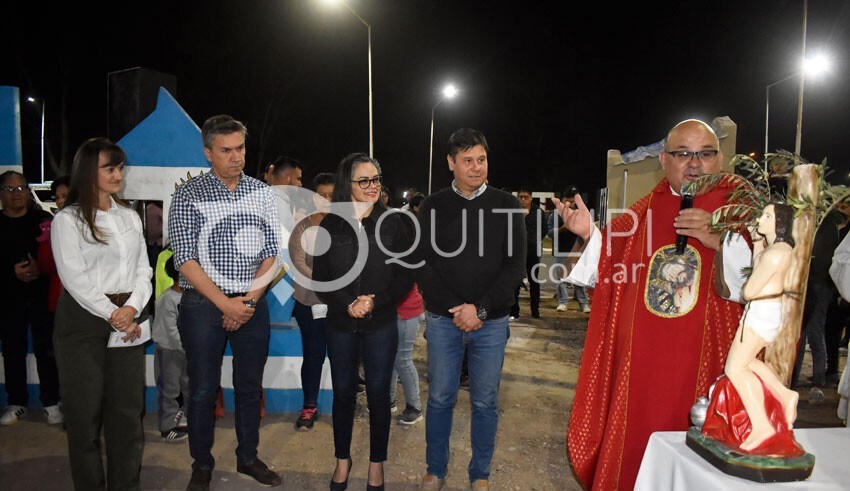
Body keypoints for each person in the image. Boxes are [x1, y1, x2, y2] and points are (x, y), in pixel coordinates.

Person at [557, 120, 748, 490]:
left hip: (712, 365)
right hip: (643, 368)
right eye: (683, 154)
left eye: (705, 153)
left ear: (720, 158)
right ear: (664, 159)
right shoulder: (645, 210)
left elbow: (769, 280)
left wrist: (721, 242)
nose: (694, 163)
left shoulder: (741, 207)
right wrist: (588, 235)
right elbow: (610, 262)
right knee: (638, 449)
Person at [168, 115, 283, 490]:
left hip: (252, 300)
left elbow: (273, 253)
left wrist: (246, 302)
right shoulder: (188, 194)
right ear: (207, 153)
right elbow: (184, 258)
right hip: (203, 305)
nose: (236, 157)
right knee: (202, 389)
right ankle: (202, 463)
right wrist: (225, 305)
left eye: (241, 148)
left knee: (250, 387)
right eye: (226, 150)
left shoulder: (263, 193)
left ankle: (248, 458)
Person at [414, 128, 526, 491]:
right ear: (451, 164)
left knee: (485, 401)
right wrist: (454, 309)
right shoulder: (433, 206)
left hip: (490, 322)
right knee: (441, 397)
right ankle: (435, 470)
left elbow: (515, 265)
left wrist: (479, 309)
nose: (476, 168)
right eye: (467, 161)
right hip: (443, 320)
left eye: (481, 159)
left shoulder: (507, 205)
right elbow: (424, 264)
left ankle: (480, 474)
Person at [50, 138, 152, 490]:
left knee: (126, 415)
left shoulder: (129, 216)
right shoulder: (68, 219)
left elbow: (145, 270)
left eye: (120, 167)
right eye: (109, 167)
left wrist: (132, 308)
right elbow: (73, 278)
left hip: (127, 317)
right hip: (83, 322)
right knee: (83, 417)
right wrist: (115, 313)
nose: (118, 174)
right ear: (87, 171)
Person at [312, 153, 413, 491]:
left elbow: (403, 276)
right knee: (342, 393)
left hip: (381, 323)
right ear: (347, 184)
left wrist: (374, 301)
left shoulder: (394, 223)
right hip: (340, 324)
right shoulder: (331, 224)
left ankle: (376, 466)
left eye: (376, 179)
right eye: (364, 180)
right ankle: (343, 460)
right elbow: (320, 277)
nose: (373, 186)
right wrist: (347, 304)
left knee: (379, 395)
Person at [721, 203, 800, 451]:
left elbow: (750, 290)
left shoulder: (777, 253)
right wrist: (756, 243)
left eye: (767, 216)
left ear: (780, 222)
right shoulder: (776, 249)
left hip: (761, 312)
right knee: (749, 362)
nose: (761, 219)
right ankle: (785, 395)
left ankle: (762, 425)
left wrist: (747, 290)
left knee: (735, 367)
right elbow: (760, 270)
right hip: (765, 311)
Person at [0, 171, 62, 426]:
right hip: (8, 299)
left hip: (40, 297)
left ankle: (51, 402)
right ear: (1, 194)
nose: (18, 194)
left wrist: (41, 268)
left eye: (22, 188)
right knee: (12, 351)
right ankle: (17, 402)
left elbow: (58, 256)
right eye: (11, 189)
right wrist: (11, 271)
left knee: (47, 350)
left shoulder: (43, 220)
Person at [288, 171, 334, 431]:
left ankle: (344, 405)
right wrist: (325, 283)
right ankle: (309, 406)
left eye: (331, 195)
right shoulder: (303, 226)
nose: (327, 200)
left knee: (342, 358)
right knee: (313, 356)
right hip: (309, 304)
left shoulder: (346, 226)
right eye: (322, 195)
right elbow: (298, 262)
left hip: (340, 307)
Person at [153, 256, 189, 442]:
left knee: (188, 386)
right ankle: (167, 427)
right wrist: (189, 347)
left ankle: (186, 420)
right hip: (170, 351)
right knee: (170, 388)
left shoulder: (189, 298)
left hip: (185, 351)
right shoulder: (167, 300)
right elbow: (170, 331)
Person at [548, 188, 590, 313]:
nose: (570, 204)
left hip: (577, 251)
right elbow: (550, 233)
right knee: (561, 278)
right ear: (562, 200)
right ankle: (563, 302)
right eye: (567, 201)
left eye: (572, 202)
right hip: (560, 250)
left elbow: (587, 231)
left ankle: (583, 303)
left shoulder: (579, 214)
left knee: (579, 278)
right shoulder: (554, 215)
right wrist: (563, 228)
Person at [511, 187, 543, 319]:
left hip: (533, 251)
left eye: (526, 197)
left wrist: (534, 241)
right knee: (515, 282)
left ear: (531, 198)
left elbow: (544, 228)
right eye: (521, 197)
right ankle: (514, 311)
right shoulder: (514, 211)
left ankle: (535, 310)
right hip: (517, 251)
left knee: (534, 281)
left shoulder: (538, 212)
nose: (523, 200)